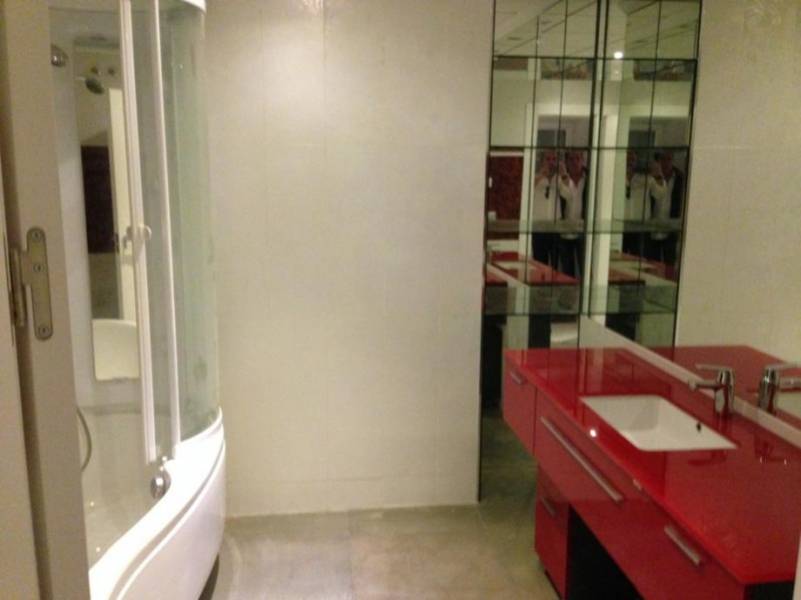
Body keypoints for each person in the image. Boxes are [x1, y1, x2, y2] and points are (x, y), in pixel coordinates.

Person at [645, 151, 684, 266]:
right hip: (652, 225)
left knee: (669, 262)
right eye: (662, 159)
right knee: (652, 262)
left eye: (668, 159)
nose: (665, 163)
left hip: (671, 226)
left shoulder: (680, 179)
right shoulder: (651, 177)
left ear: (672, 161)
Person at [555, 150, 587, 277]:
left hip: (583, 230)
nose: (575, 162)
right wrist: (564, 176)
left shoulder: (590, 179)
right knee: (567, 271)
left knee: (585, 268)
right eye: (571, 159)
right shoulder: (560, 179)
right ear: (567, 162)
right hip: (564, 231)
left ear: (583, 161)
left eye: (578, 158)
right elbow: (567, 195)